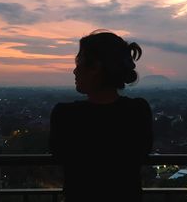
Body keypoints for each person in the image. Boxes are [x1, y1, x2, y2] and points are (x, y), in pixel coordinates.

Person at [49, 30, 153, 202]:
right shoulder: (138, 112)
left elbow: (59, 156)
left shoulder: (66, 116)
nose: (75, 71)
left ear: (95, 67)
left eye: (79, 63)